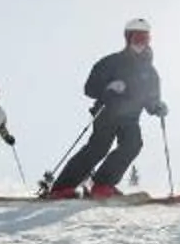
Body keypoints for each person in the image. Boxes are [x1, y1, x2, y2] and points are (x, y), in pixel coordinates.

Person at [44, 18, 167, 198]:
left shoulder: (151, 73)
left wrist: (158, 107)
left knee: (133, 144)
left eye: (145, 38)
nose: (140, 42)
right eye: (136, 38)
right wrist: (108, 87)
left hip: (131, 118)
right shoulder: (111, 62)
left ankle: (102, 184)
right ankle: (62, 187)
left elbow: (151, 100)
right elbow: (90, 88)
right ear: (128, 38)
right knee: (98, 147)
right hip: (107, 112)